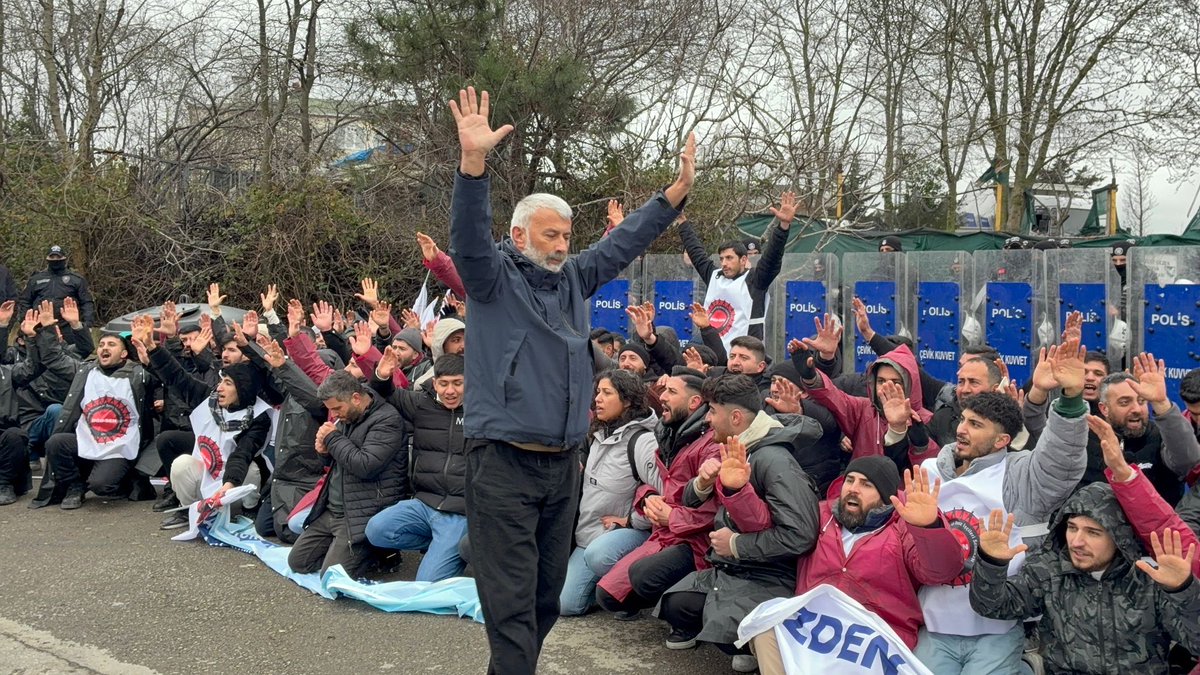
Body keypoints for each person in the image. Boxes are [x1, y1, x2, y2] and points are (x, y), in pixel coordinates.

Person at [447, 86, 693, 674]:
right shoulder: (490, 280)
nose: (562, 245)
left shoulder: (575, 279)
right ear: (520, 235)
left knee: (543, 600)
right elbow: (467, 238)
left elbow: (624, 241)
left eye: (566, 236)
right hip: (502, 462)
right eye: (550, 235)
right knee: (508, 608)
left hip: (562, 465)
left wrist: (672, 197)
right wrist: (473, 166)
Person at [913, 334, 1090, 675]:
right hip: (934, 625)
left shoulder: (1019, 473)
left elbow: (1061, 461)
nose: (962, 430)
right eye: (963, 420)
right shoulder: (930, 469)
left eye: (976, 425)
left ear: (1002, 440)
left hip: (998, 626)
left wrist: (1070, 398)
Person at [658, 374, 820, 673]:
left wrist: (736, 545)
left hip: (770, 576)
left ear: (735, 417)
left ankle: (758, 645)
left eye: (712, 412)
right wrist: (703, 483)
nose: (706, 420)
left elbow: (801, 535)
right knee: (675, 604)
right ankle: (742, 638)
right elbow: (689, 501)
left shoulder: (774, 460)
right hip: (732, 567)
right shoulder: (738, 446)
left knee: (717, 628)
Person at [747, 460, 965, 673]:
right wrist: (737, 492)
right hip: (812, 624)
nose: (853, 489)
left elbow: (940, 572)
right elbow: (767, 525)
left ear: (885, 496)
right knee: (766, 626)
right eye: (850, 480)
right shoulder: (821, 514)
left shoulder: (903, 526)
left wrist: (927, 527)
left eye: (867, 484)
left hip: (874, 635)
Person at [970, 488, 1199, 674]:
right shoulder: (1050, 568)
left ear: (1119, 538)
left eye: (1093, 532)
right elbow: (992, 606)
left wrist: (1183, 589)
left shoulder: (1147, 580)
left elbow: (1196, 645)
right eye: (1072, 528)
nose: (1077, 542)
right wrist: (991, 563)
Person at [595, 370, 721, 618]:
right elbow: (646, 483)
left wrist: (671, 517)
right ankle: (667, 596)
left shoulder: (710, 445)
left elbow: (714, 510)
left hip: (695, 542)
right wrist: (648, 498)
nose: (662, 397)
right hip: (663, 535)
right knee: (608, 597)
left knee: (645, 577)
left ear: (694, 402)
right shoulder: (669, 436)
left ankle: (684, 616)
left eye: (672, 392)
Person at [286, 371, 406, 578]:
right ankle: (347, 550)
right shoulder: (349, 415)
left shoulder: (387, 420)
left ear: (356, 398)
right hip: (334, 508)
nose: (333, 415)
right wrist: (323, 453)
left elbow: (365, 466)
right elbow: (338, 460)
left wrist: (332, 439)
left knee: (332, 576)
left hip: (360, 511)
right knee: (298, 562)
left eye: (337, 408)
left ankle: (378, 552)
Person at [560, 369, 660, 616]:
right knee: (566, 605)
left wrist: (631, 521)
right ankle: (606, 588)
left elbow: (665, 496)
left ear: (627, 400)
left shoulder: (643, 441)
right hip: (588, 535)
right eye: (597, 393)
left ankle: (632, 596)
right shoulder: (597, 433)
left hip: (627, 536)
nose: (598, 399)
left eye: (607, 393)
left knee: (600, 555)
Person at [364, 353, 470, 582]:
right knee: (376, 530)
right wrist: (381, 375)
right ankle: (440, 547)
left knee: (425, 585)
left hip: (460, 512)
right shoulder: (422, 405)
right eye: (444, 384)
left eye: (457, 383)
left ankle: (457, 547)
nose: (450, 391)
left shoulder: (483, 412)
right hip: (424, 503)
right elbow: (385, 393)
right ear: (435, 383)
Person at [38, 331, 155, 509]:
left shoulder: (139, 374)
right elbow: (54, 359)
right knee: (56, 442)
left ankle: (125, 479)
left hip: (119, 446)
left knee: (102, 486)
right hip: (89, 439)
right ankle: (75, 485)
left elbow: (165, 378)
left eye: (111, 345)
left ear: (124, 353)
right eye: (101, 345)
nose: (104, 348)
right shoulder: (85, 370)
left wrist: (150, 361)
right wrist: (49, 328)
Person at [677, 193, 795, 350]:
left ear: (743, 260)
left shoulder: (755, 280)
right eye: (722, 258)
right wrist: (681, 220)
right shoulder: (715, 276)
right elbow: (695, 251)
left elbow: (772, 258)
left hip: (744, 356)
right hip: (715, 354)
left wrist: (783, 226)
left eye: (729, 258)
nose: (724, 263)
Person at [16, 246, 95, 325]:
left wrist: (88, 323)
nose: (55, 260)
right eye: (52, 257)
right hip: (40, 326)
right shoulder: (36, 279)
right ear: (47, 259)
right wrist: (24, 321)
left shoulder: (76, 279)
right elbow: (25, 301)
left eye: (58, 257)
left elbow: (86, 303)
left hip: (69, 326)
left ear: (64, 258)